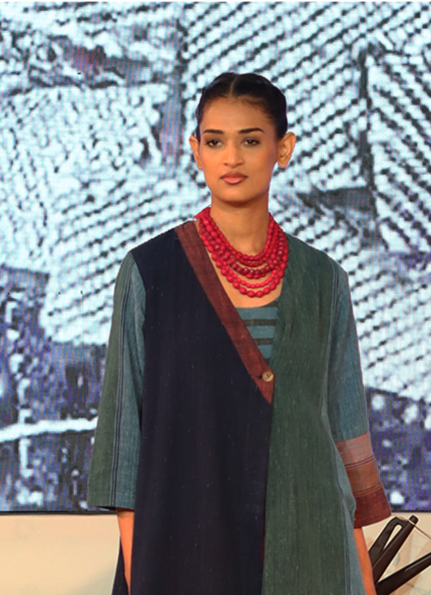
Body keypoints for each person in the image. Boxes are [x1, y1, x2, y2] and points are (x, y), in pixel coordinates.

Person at [88, 72, 391, 595]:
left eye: (250, 141)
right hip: (187, 547)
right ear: (195, 151)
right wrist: (143, 574)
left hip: (311, 547)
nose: (231, 158)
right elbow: (124, 439)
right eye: (215, 142)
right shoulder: (150, 273)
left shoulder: (323, 280)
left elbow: (345, 432)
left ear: (283, 149)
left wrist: (360, 574)